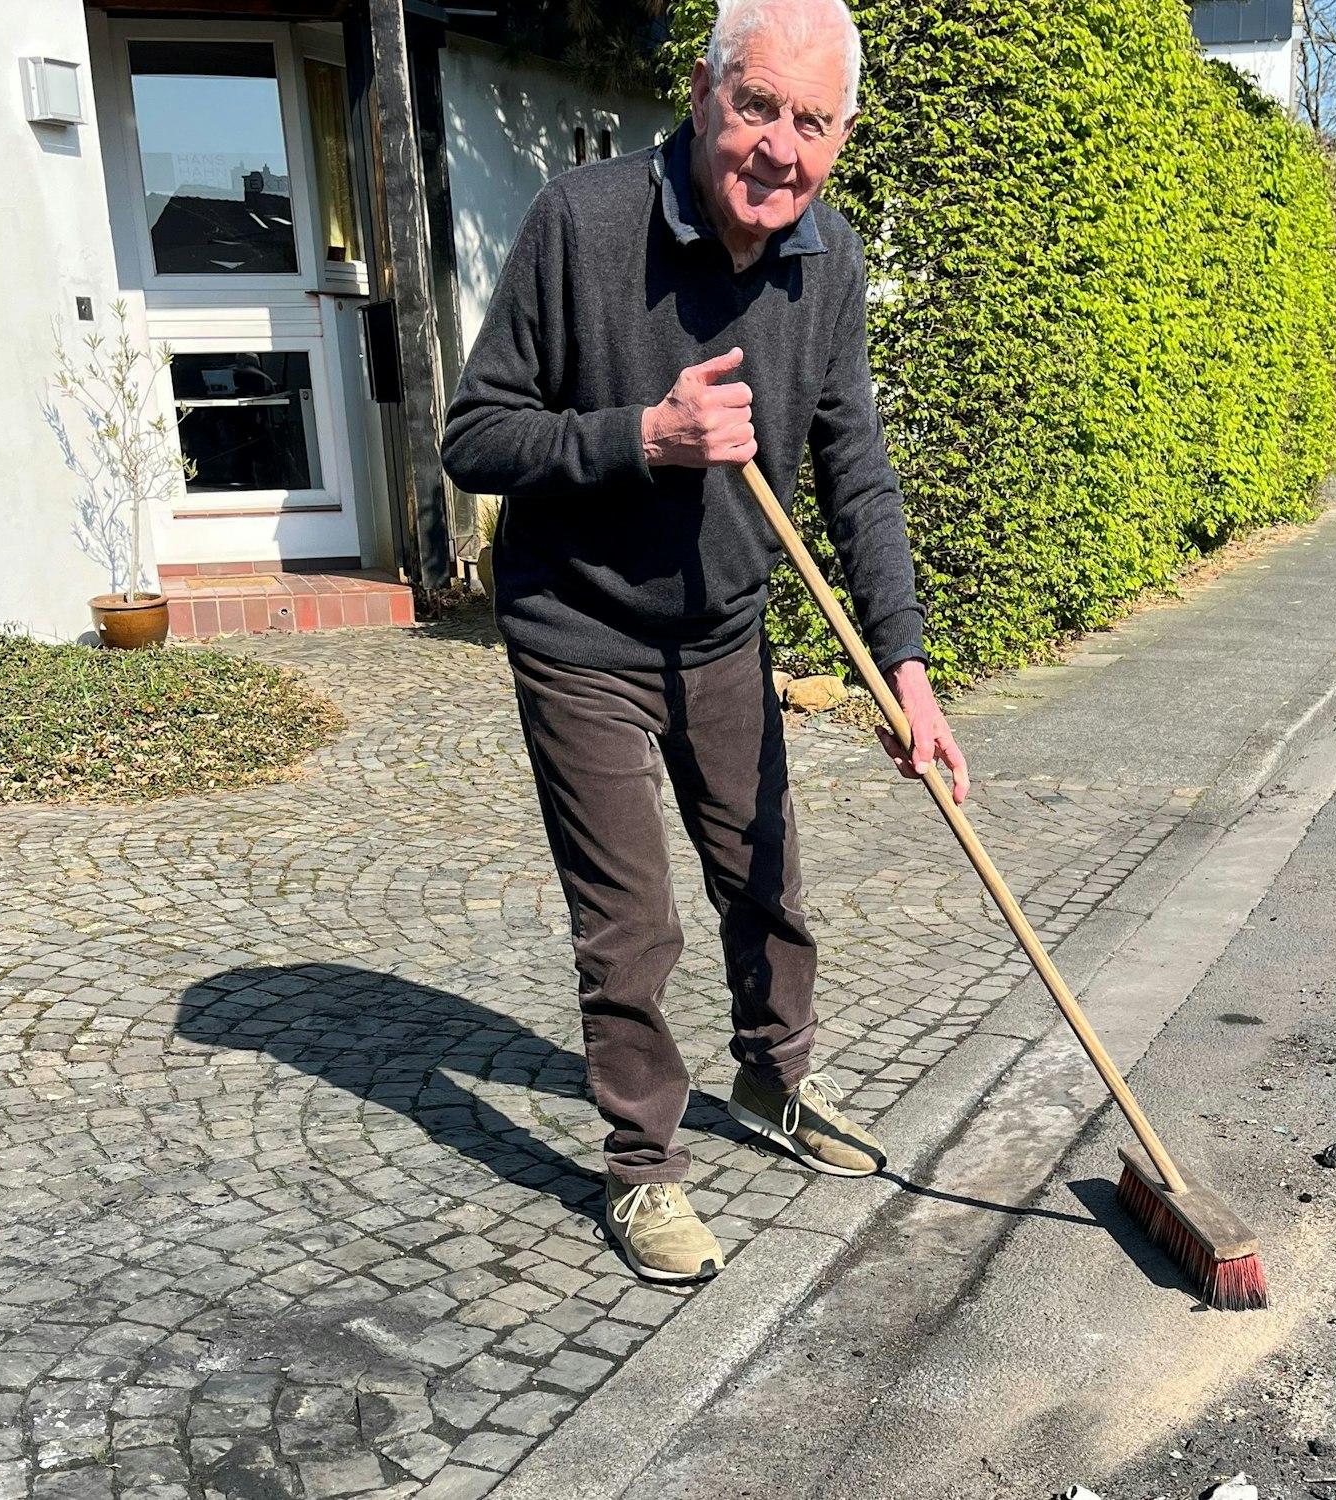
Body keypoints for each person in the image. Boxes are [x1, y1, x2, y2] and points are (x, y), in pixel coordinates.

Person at [441, 0, 969, 1282]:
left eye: (812, 123)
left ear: (840, 136)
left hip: (724, 634)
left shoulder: (824, 263)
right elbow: (476, 434)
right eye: (757, 107)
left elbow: (858, 477)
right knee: (631, 925)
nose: (778, 149)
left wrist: (901, 669)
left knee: (766, 880)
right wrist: (639, 438)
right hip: (579, 634)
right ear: (702, 90)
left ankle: (772, 1083)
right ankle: (640, 1167)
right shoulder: (583, 223)